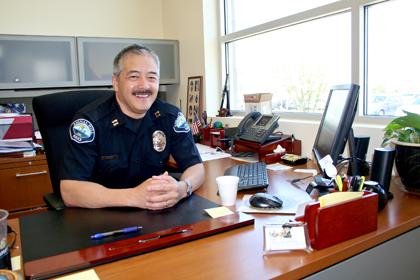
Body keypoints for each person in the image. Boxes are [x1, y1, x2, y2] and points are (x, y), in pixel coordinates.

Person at [60, 44, 205, 210]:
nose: (144, 86)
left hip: (156, 214)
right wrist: (134, 197)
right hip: (102, 216)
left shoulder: (170, 117)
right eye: (134, 77)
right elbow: (69, 191)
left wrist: (183, 188)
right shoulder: (89, 123)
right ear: (115, 82)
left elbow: (196, 167)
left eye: (152, 77)